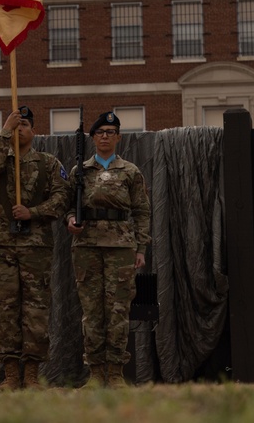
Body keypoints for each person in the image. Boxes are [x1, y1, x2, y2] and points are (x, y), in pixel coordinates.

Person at [0, 106, 69, 390]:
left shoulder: (48, 163)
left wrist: (33, 212)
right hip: (1, 244)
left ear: (34, 132)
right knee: (5, 310)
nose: (20, 130)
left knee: (36, 311)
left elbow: (61, 198)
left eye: (24, 125)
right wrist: (5, 130)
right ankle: (10, 375)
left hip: (35, 247)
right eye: (15, 126)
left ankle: (31, 374)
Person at [65, 111, 150, 388]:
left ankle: (115, 372)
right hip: (87, 245)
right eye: (99, 132)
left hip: (121, 247)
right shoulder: (80, 171)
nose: (104, 136)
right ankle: (95, 372)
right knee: (92, 311)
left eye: (110, 132)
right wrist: (70, 220)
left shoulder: (130, 171)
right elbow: (66, 204)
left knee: (118, 310)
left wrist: (141, 248)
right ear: (92, 138)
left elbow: (141, 211)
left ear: (118, 137)